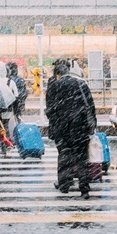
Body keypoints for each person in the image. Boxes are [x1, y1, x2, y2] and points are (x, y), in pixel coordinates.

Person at [46, 59, 97, 199]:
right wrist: (92, 125)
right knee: (82, 158)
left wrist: (55, 122)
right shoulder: (81, 84)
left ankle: (64, 184)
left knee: (64, 156)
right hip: (80, 128)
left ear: (57, 72)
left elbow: (49, 110)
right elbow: (90, 106)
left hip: (62, 128)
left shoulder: (54, 85)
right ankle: (84, 188)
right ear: (68, 70)